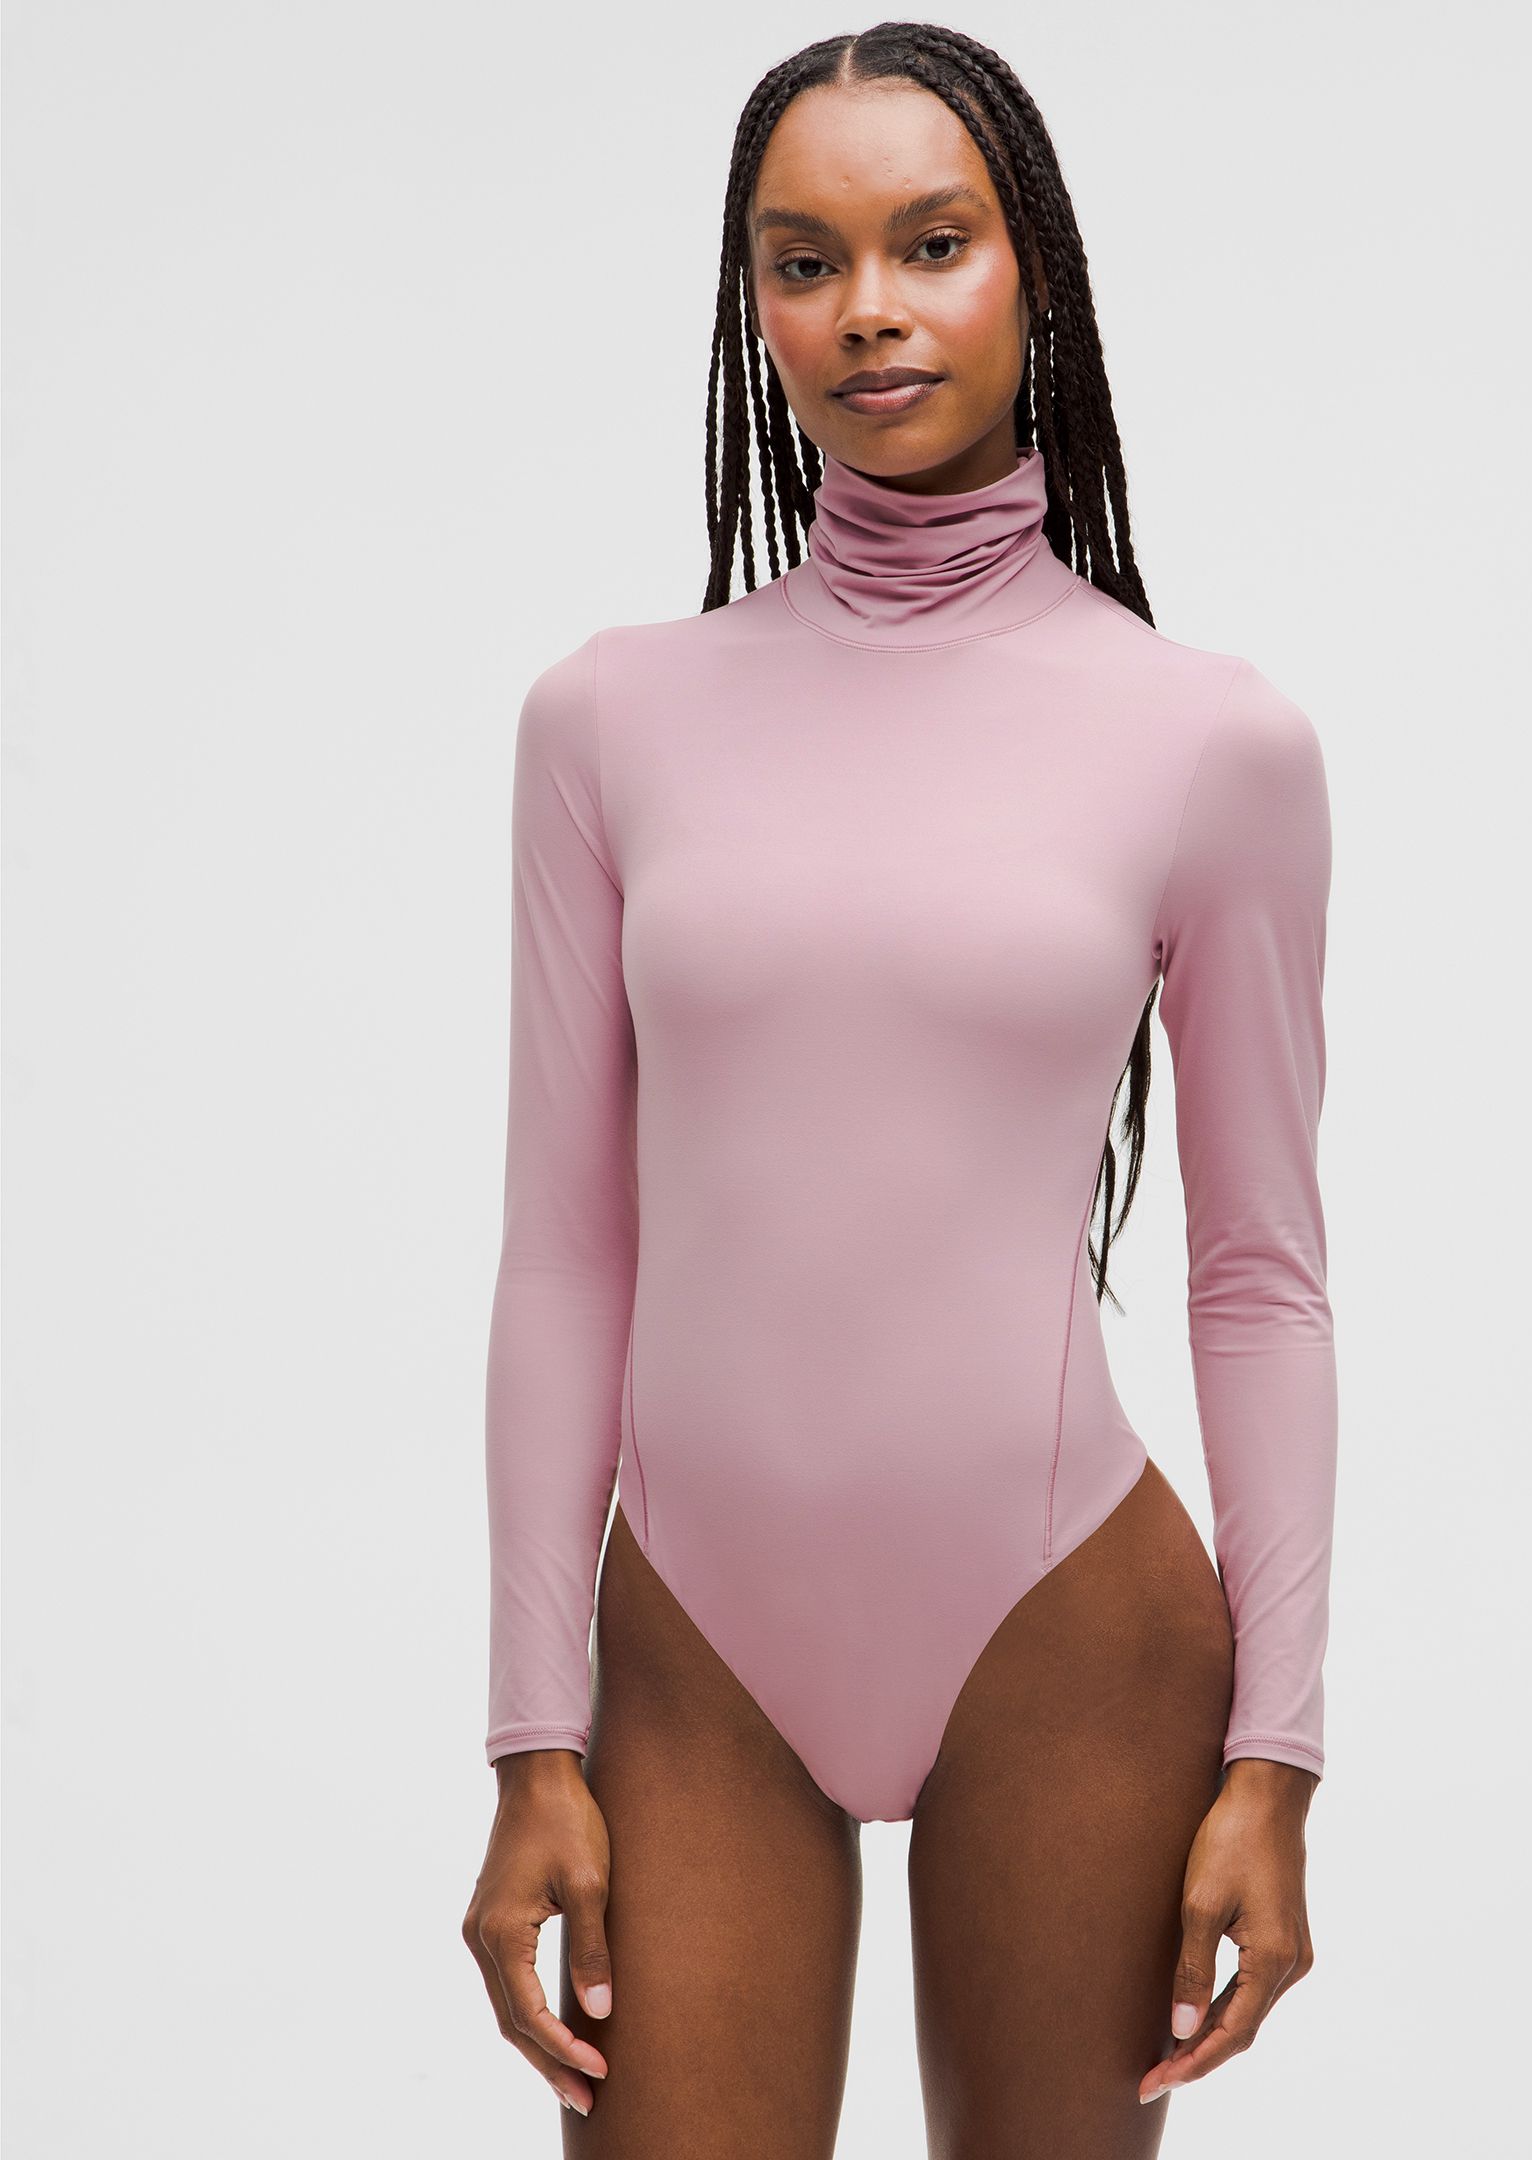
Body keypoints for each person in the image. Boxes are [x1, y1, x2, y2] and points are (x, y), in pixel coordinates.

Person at [462, 22, 1337, 2155]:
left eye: (931, 244)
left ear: (1034, 270)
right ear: (753, 307)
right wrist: (528, 1737)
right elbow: (565, 1251)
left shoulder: (1206, 742)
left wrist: (1281, 1756)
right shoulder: (608, 722)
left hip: (1069, 1632)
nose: (868, 308)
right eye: (805, 259)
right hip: (692, 1643)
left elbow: (1259, 1271)